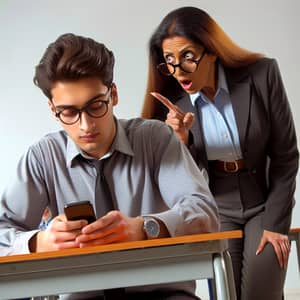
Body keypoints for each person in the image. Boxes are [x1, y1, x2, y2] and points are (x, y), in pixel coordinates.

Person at [0, 33, 219, 300]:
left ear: (113, 94)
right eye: (68, 112)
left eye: (96, 105)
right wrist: (39, 242)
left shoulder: (155, 139)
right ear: (52, 109)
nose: (86, 125)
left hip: (164, 294)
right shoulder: (42, 157)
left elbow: (205, 213)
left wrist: (144, 228)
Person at [141, 6, 299, 300]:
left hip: (264, 200)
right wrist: (181, 140)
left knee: (259, 292)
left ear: (211, 51)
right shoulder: (173, 105)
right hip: (217, 206)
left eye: (188, 56)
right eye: (170, 61)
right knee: (227, 293)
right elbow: (176, 179)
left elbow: (286, 155)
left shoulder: (262, 75)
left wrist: (276, 225)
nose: (179, 71)